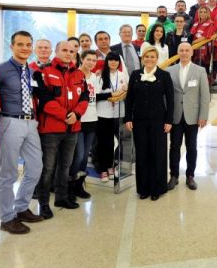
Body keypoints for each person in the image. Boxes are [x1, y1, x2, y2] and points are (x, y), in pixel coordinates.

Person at [0, 31, 44, 236]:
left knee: (36, 167)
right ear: (11, 46)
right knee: (8, 173)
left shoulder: (32, 72)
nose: (25, 48)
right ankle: (6, 218)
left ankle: (21, 207)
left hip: (30, 123)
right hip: (9, 121)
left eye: (28, 44)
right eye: (20, 44)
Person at [33, 40, 89, 219]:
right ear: (56, 51)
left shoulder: (80, 74)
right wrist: (66, 115)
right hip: (51, 128)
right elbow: (44, 100)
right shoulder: (44, 72)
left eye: (72, 51)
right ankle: (43, 203)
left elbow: (85, 98)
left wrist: (77, 115)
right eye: (64, 50)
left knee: (65, 166)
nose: (68, 53)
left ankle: (61, 197)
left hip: (73, 128)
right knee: (48, 167)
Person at [124, 46, 174, 201]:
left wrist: (169, 120)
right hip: (139, 121)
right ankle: (143, 188)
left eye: (152, 57)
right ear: (142, 58)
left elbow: (171, 100)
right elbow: (129, 99)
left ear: (157, 59)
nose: (149, 59)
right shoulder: (135, 75)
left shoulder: (164, 75)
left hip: (159, 121)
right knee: (142, 154)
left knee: (157, 154)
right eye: (147, 57)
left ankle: (157, 188)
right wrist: (128, 118)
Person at [167, 43, 210, 191]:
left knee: (192, 147)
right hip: (175, 116)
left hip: (193, 116)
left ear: (192, 53)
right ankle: (173, 176)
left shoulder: (200, 71)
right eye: (181, 50)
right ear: (177, 52)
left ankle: (190, 176)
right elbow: (166, 96)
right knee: (174, 147)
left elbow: (205, 96)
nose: (184, 53)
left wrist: (203, 115)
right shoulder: (169, 71)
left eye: (187, 50)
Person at [69, 50, 99, 200]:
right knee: (78, 155)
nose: (92, 63)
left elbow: (98, 97)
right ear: (82, 59)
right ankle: (70, 184)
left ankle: (79, 185)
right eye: (89, 59)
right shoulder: (74, 75)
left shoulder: (95, 77)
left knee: (85, 156)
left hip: (92, 120)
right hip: (78, 120)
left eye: (94, 60)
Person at [95, 52, 129, 182]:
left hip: (118, 113)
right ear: (107, 62)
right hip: (103, 113)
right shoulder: (100, 75)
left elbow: (128, 93)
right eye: (111, 60)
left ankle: (111, 166)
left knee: (115, 142)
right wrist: (112, 94)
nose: (113, 62)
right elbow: (96, 96)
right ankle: (103, 169)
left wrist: (126, 90)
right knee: (104, 142)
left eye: (116, 60)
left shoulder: (123, 76)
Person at [190, 5, 216, 83]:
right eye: (201, 12)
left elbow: (205, 37)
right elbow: (191, 34)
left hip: (204, 51)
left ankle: (206, 85)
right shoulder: (195, 23)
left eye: (205, 12)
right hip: (194, 50)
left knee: (203, 69)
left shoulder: (210, 23)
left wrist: (191, 43)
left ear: (208, 13)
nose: (203, 13)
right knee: (194, 69)